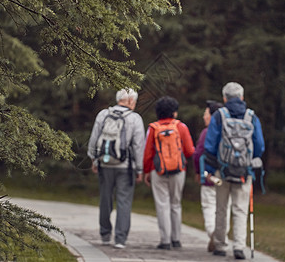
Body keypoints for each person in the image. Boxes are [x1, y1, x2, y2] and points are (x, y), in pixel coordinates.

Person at [204, 82, 265, 260]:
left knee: (221, 208)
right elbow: (259, 145)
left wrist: (211, 168)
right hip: (243, 172)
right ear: (242, 97)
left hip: (222, 170)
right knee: (240, 209)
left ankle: (221, 245)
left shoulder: (219, 115)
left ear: (224, 98)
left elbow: (210, 144)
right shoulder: (251, 117)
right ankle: (239, 247)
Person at [87, 88, 145, 249]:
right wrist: (139, 169)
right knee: (124, 201)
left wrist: (94, 159)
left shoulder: (103, 114)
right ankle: (120, 239)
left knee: (105, 198)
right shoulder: (135, 118)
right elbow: (139, 146)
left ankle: (105, 235)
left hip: (105, 164)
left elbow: (94, 138)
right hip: (125, 167)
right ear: (131, 101)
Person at [143, 96, 195, 250]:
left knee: (162, 204)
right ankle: (176, 239)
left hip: (157, 171)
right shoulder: (181, 127)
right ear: (174, 112)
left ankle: (165, 240)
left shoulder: (153, 128)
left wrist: (147, 170)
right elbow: (189, 150)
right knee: (175, 204)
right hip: (179, 170)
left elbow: (148, 153)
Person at [193, 100, 231, 253]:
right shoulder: (229, 131)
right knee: (225, 208)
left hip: (209, 177)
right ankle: (221, 236)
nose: (203, 116)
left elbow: (198, 154)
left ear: (212, 116)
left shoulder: (206, 133)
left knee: (209, 207)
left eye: (206, 113)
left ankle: (214, 234)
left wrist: (198, 171)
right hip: (227, 175)